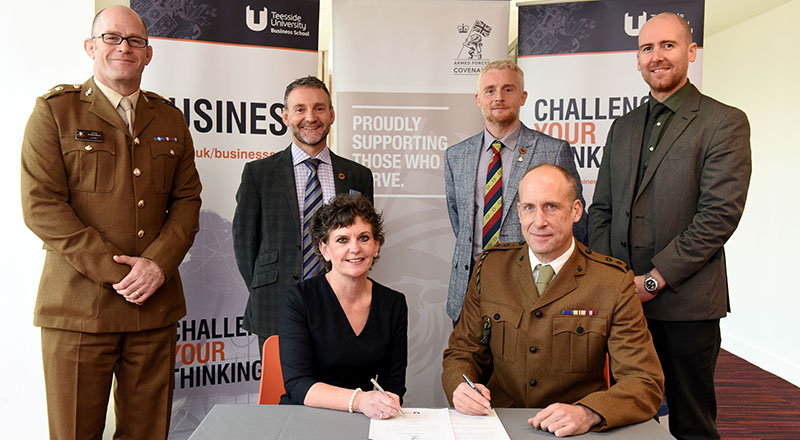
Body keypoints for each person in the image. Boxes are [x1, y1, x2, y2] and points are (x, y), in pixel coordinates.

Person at [20, 6, 202, 439]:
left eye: (135, 40)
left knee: (147, 434)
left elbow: (187, 200)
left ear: (149, 53)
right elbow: (41, 205)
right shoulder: (56, 112)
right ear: (91, 47)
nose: (124, 47)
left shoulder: (170, 119)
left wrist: (156, 265)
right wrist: (119, 270)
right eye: (112, 38)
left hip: (153, 310)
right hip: (79, 310)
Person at [588, 12, 751, 440]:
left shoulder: (724, 122)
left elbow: (718, 216)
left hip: (686, 304)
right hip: (621, 305)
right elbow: (600, 209)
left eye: (668, 46)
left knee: (691, 420)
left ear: (691, 53)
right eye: (647, 48)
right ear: (637, 59)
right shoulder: (622, 128)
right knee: (619, 414)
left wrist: (654, 281)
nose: (656, 56)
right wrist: (614, 279)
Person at [442, 164, 664, 437]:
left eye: (551, 207)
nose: (539, 221)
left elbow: (644, 382)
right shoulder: (491, 268)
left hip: (575, 430)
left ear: (576, 211)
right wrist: (460, 387)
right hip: (499, 423)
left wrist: (589, 412)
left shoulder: (612, 282)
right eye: (529, 208)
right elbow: (463, 352)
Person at [232, 76, 374, 351]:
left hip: (343, 306)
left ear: (332, 114)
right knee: (282, 391)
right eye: (300, 109)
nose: (310, 117)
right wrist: (268, 287)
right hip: (276, 304)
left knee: (339, 389)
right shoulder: (259, 174)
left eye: (319, 108)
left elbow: (366, 239)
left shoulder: (358, 175)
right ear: (286, 117)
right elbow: (244, 243)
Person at [444, 59, 587, 323]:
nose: (498, 97)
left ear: (523, 97)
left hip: (532, 292)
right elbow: (460, 221)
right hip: (468, 292)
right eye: (490, 90)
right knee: (467, 363)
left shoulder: (553, 151)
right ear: (478, 99)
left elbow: (575, 224)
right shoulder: (456, 155)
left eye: (508, 89)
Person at [278, 194, 407, 420]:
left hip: (365, 419)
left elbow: (393, 383)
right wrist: (359, 401)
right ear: (324, 249)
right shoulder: (299, 299)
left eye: (364, 238)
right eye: (342, 240)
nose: (355, 248)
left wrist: (387, 402)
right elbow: (297, 384)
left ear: (376, 246)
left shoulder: (393, 303)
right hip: (304, 417)